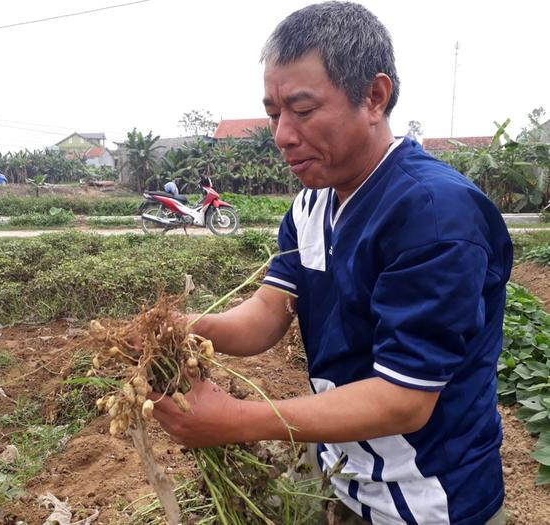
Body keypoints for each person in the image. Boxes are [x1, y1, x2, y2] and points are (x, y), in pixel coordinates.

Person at [149, 2, 513, 524]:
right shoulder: (311, 203)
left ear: (374, 96)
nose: (282, 135)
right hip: (347, 472)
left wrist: (239, 420)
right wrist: (187, 328)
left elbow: (404, 399)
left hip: (430, 498)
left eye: (302, 109)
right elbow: (268, 312)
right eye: (274, 113)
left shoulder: (433, 214)